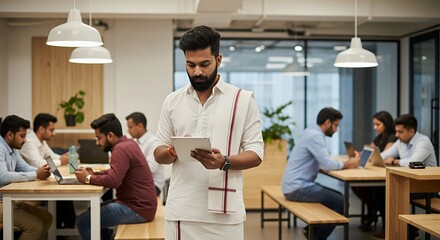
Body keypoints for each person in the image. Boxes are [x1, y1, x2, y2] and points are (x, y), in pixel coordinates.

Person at [153, 25, 264, 240]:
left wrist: (224, 161)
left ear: (218, 60)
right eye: (190, 64)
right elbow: (158, 153)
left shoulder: (242, 100)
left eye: (205, 64)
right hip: (181, 212)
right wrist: (172, 151)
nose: (197, 72)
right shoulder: (172, 101)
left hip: (226, 214)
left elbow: (257, 153)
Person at [73, 113, 157, 240]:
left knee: (83, 222)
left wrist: (87, 178)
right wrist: (94, 174)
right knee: (92, 210)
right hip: (142, 205)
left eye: (99, 138)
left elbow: (113, 181)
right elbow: (115, 172)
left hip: (138, 209)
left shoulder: (120, 149)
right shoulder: (128, 143)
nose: (97, 142)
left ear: (110, 135)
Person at [282, 107, 360, 240]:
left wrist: (343, 163)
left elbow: (323, 160)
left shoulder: (310, 132)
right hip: (297, 187)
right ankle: (316, 235)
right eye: (336, 125)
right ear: (328, 122)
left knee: (338, 198)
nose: (336, 129)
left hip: (294, 184)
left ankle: (313, 232)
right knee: (341, 201)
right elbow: (327, 164)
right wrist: (350, 163)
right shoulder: (316, 136)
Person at [372, 113, 437, 240]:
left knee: (386, 192)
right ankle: (397, 229)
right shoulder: (401, 141)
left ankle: (403, 231)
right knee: (378, 191)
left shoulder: (423, 142)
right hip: (408, 183)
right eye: (396, 131)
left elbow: (412, 163)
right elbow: (383, 155)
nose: (396, 135)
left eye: (400, 132)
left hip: (425, 187)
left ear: (411, 131)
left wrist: (394, 161)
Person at [19, 113, 76, 231]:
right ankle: (64, 229)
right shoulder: (29, 142)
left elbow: (51, 156)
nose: (54, 133)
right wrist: (61, 160)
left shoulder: (41, 142)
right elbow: (40, 163)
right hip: (27, 185)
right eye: (51, 130)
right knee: (63, 194)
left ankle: (65, 228)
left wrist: (62, 157)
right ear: (41, 129)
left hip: (37, 181)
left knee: (64, 191)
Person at [0, 115, 53, 240]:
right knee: (35, 226)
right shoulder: (0, 148)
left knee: (47, 218)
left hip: (9, 200)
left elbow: (24, 167)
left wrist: (41, 171)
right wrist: (36, 174)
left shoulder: (13, 148)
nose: (25, 140)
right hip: (1, 203)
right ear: (9, 135)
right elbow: (2, 176)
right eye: (22, 136)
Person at [351, 111, 397, 232]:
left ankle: (377, 217)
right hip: (378, 171)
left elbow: (382, 156)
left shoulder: (392, 137)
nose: (375, 127)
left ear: (386, 124)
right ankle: (372, 210)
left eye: (378, 124)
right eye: (374, 124)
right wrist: (361, 154)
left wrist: (369, 155)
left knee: (376, 192)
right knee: (357, 186)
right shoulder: (379, 137)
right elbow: (369, 151)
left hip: (388, 176)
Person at [126, 112, 164, 196]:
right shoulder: (135, 141)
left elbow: (151, 169)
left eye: (130, 127)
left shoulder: (153, 142)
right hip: (140, 183)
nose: (128, 131)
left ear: (140, 126)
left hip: (153, 186)